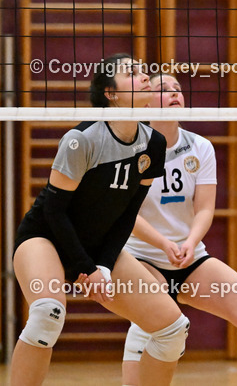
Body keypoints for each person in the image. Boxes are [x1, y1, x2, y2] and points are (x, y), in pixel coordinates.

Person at [11, 55, 188, 386]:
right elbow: (54, 211)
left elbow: (127, 214)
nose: (144, 76)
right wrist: (86, 268)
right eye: (131, 73)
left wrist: (104, 265)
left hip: (99, 246)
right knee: (46, 315)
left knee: (172, 328)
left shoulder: (154, 144)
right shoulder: (82, 139)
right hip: (45, 239)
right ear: (111, 93)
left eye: (142, 70)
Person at [120, 73, 237, 386]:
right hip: (141, 258)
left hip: (188, 257)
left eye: (178, 89)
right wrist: (164, 244)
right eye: (164, 89)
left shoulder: (199, 147)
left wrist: (190, 242)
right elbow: (126, 213)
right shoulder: (129, 147)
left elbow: (204, 207)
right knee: (152, 323)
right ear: (146, 100)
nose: (174, 93)